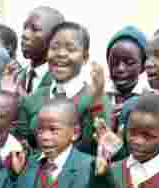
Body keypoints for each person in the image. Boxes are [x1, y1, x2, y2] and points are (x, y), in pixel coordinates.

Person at [19, 22, 111, 156]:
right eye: (54, 47)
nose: (61, 54)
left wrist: (97, 103)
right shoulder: (34, 98)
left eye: (71, 49)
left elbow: (103, 147)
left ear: (85, 58)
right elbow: (22, 142)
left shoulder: (95, 97)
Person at [105, 27, 151, 126]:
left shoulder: (152, 99)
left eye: (129, 63)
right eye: (114, 62)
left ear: (143, 66)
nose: (120, 69)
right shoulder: (97, 97)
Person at [16, 6, 63, 95]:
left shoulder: (62, 82)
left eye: (35, 29)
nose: (24, 35)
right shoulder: (16, 77)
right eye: (25, 27)